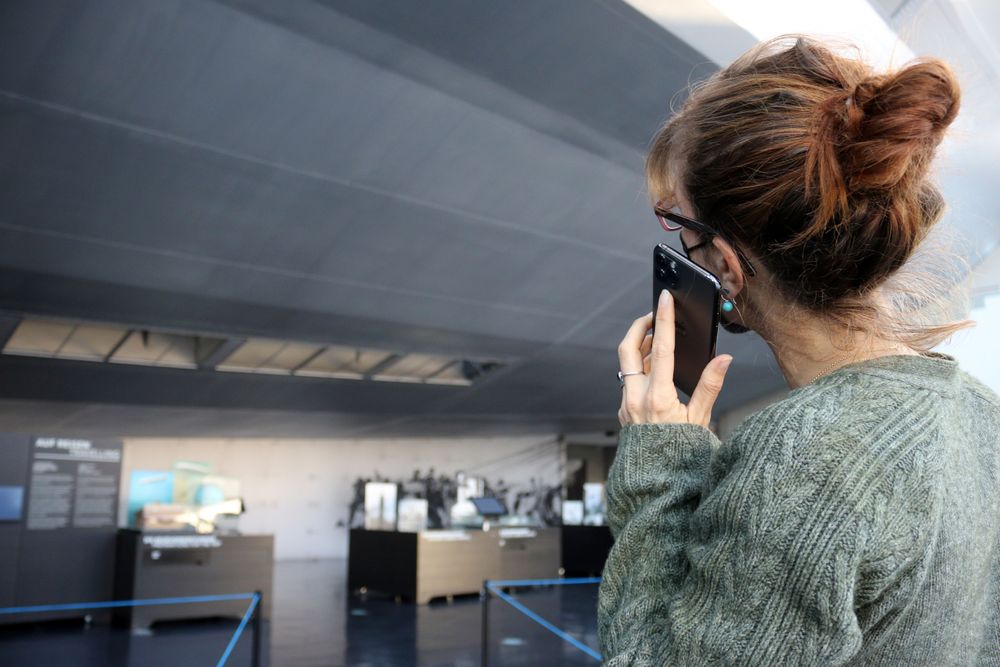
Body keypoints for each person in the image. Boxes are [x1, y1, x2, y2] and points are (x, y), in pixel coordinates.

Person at [599, 36, 1000, 666]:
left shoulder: (806, 459)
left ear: (727, 266)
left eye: (681, 227)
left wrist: (657, 469)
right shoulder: (982, 414)